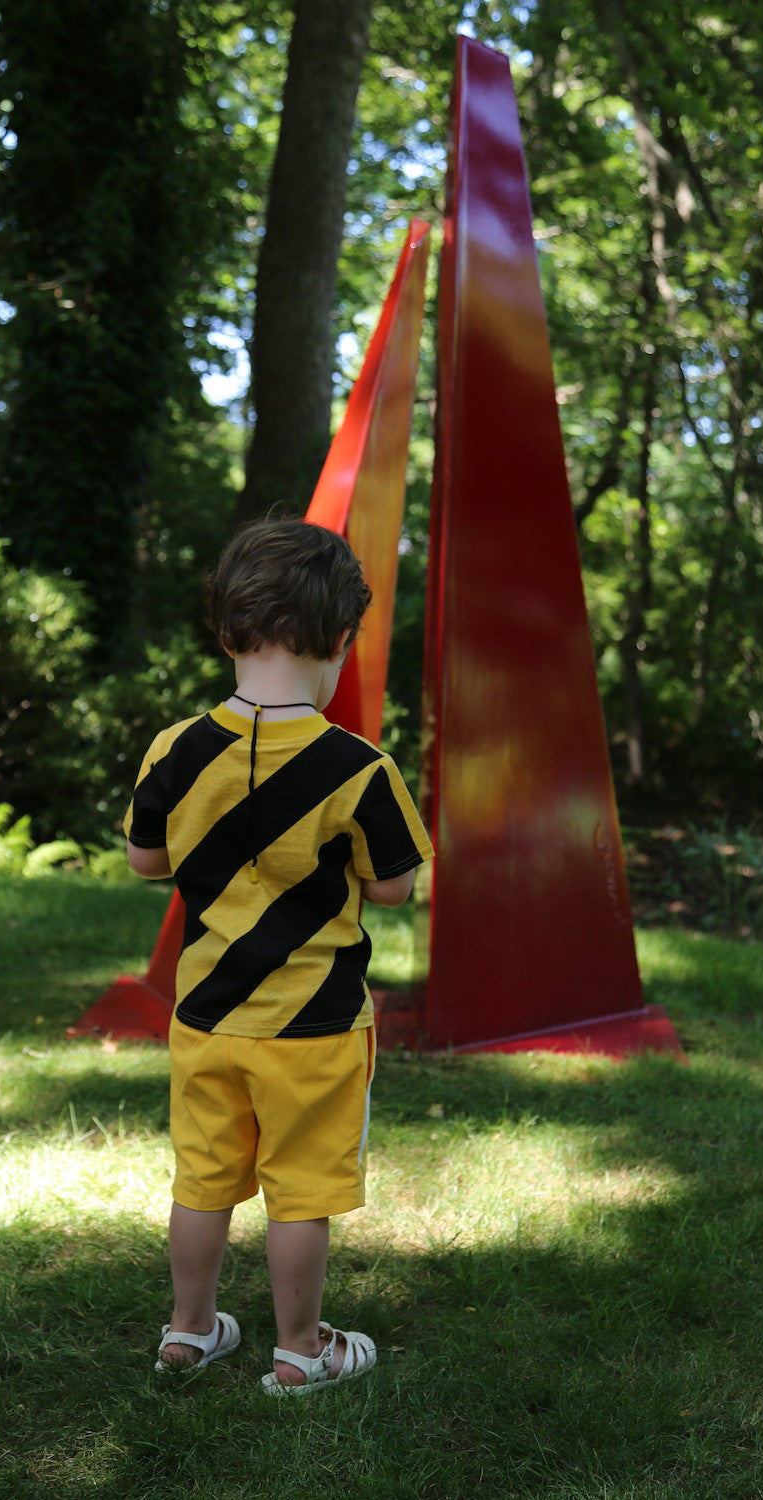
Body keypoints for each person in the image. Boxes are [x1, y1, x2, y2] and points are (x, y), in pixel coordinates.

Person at [124, 517, 434, 1394]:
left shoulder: (176, 749)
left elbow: (147, 861)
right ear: (341, 641)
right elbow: (393, 889)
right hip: (315, 1026)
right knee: (301, 1193)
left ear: (226, 633)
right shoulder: (360, 769)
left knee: (202, 1181)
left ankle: (188, 1331)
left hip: (206, 1015)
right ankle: (300, 1352)